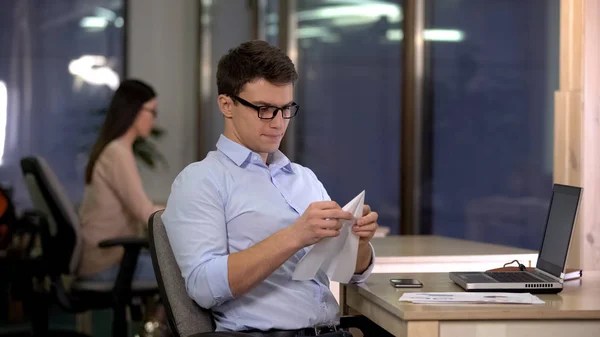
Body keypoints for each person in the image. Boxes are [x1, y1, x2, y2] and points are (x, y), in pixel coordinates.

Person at [162, 40, 379, 336]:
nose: (278, 123)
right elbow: (203, 286)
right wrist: (294, 235)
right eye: (264, 109)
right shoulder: (201, 180)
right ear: (227, 105)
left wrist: (359, 242)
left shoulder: (304, 178)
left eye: (285, 109)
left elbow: (348, 271)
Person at [78, 79, 163, 283]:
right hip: (106, 263)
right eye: (152, 112)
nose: (154, 120)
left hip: (103, 258)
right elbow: (144, 212)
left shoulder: (114, 150)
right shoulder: (117, 153)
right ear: (135, 111)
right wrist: (188, 217)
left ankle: (156, 316)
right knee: (183, 276)